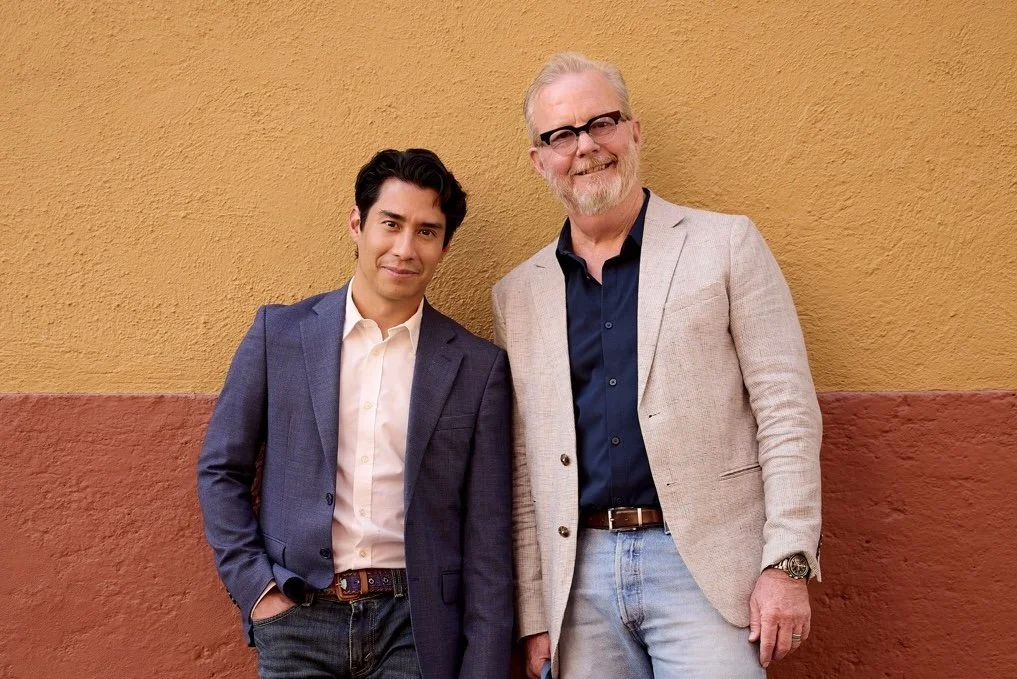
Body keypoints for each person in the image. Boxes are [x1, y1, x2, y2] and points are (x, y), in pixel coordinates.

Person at [492, 53, 823, 678]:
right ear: (539, 160)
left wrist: (788, 561)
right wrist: (535, 614)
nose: (586, 146)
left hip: (706, 569)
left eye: (602, 122)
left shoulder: (726, 245)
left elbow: (787, 411)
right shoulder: (518, 294)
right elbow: (522, 462)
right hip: (578, 581)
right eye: (561, 135)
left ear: (634, 130)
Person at [198, 148, 513, 679]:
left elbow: (488, 535)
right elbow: (221, 470)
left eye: (427, 231)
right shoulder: (281, 335)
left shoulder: (477, 368)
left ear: (444, 245)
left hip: (416, 628)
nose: (404, 248)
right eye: (390, 224)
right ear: (357, 224)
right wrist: (258, 593)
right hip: (299, 618)